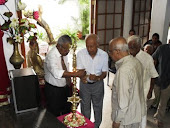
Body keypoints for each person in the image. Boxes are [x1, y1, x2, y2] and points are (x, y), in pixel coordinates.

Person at [44, 35, 85, 116]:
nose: (67, 51)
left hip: (64, 87)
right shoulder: (51, 56)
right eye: (65, 49)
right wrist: (75, 74)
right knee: (54, 113)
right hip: (53, 90)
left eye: (68, 49)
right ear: (58, 46)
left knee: (67, 111)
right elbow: (56, 73)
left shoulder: (64, 53)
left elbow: (66, 67)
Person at [109, 37, 145, 128]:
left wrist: (117, 121)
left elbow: (123, 103)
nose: (109, 54)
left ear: (117, 51)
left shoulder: (124, 70)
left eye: (110, 52)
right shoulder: (136, 61)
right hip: (136, 112)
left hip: (126, 119)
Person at [76, 34, 108, 128]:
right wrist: (83, 77)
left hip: (98, 84)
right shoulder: (81, 54)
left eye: (92, 46)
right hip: (84, 85)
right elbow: (80, 71)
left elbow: (104, 73)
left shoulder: (103, 55)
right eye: (87, 46)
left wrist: (97, 78)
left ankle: (96, 125)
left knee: (98, 106)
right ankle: (86, 125)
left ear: (98, 44)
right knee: (85, 107)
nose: (89, 49)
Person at [127, 35, 159, 128]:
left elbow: (153, 75)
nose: (130, 49)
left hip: (143, 90)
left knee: (141, 114)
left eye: (132, 47)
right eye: (129, 47)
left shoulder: (147, 58)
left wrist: (150, 91)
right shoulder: (127, 56)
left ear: (139, 46)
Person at [152, 43, 170, 128]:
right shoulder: (161, 48)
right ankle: (141, 114)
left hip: (168, 81)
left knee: (163, 102)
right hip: (158, 78)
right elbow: (154, 60)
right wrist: (152, 74)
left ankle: (159, 119)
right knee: (151, 98)